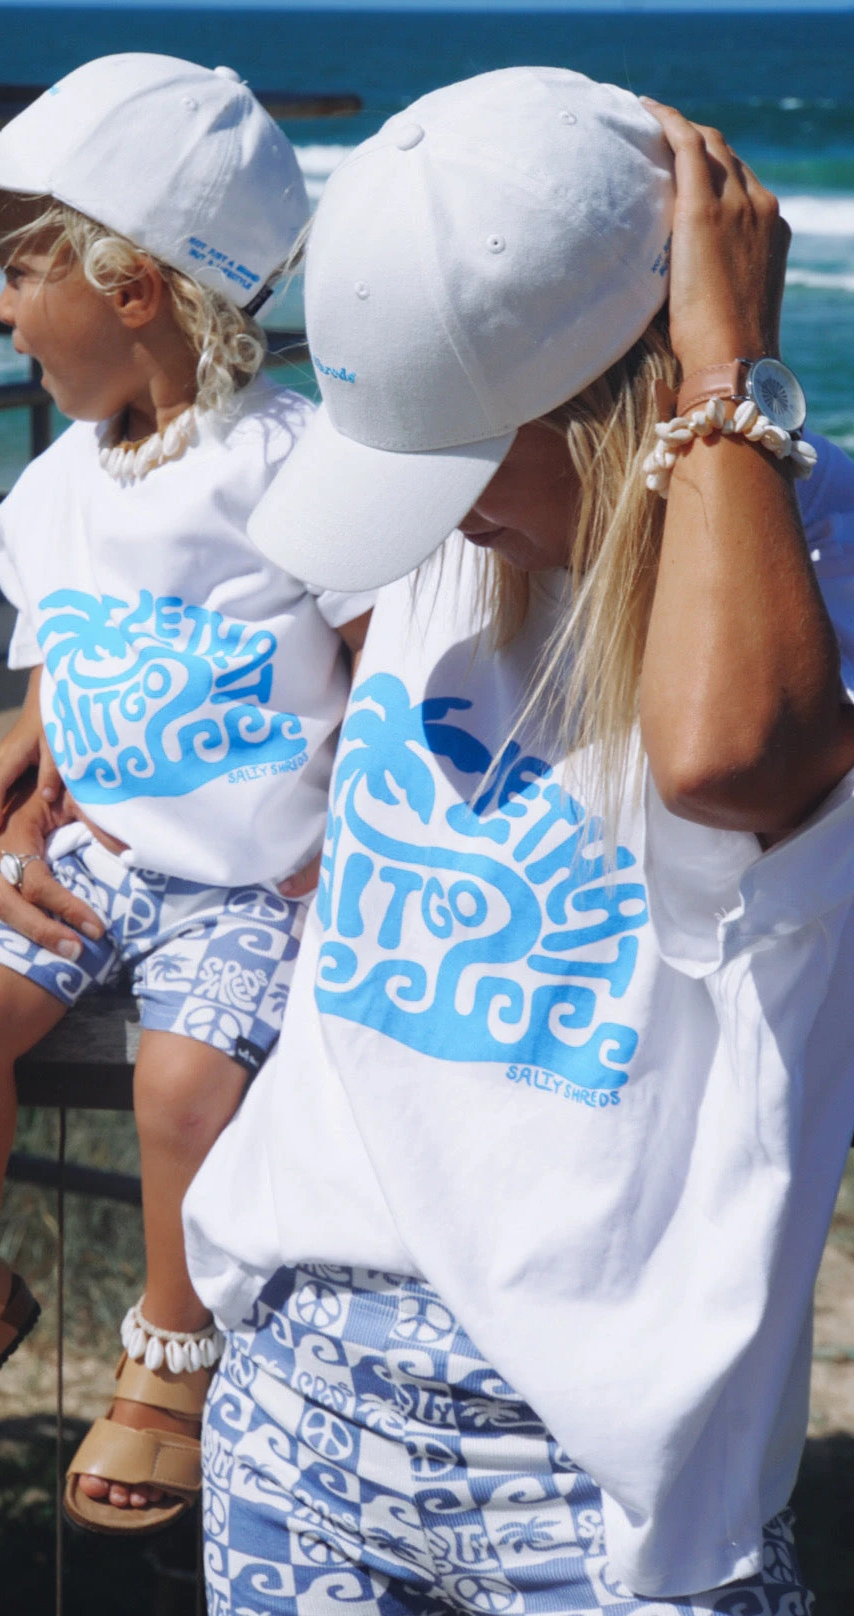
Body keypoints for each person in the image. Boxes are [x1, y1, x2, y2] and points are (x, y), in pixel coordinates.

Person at [182, 68, 854, 1612]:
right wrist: (55, 776)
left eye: (463, 463)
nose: (440, 516)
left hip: (596, 1492)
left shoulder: (809, 586)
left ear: (619, 410)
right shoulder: (458, 553)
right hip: (295, 1405)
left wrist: (724, 372)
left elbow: (729, 759)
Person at [0, 54, 372, 1534]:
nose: (3, 315)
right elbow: (72, 636)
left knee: (183, 1088)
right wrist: (31, 741)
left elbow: (381, 649)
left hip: (250, 874)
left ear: (130, 285)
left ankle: (174, 1343)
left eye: (22, 275)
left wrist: (356, 835)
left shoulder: (290, 464)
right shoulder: (61, 484)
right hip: (96, 855)